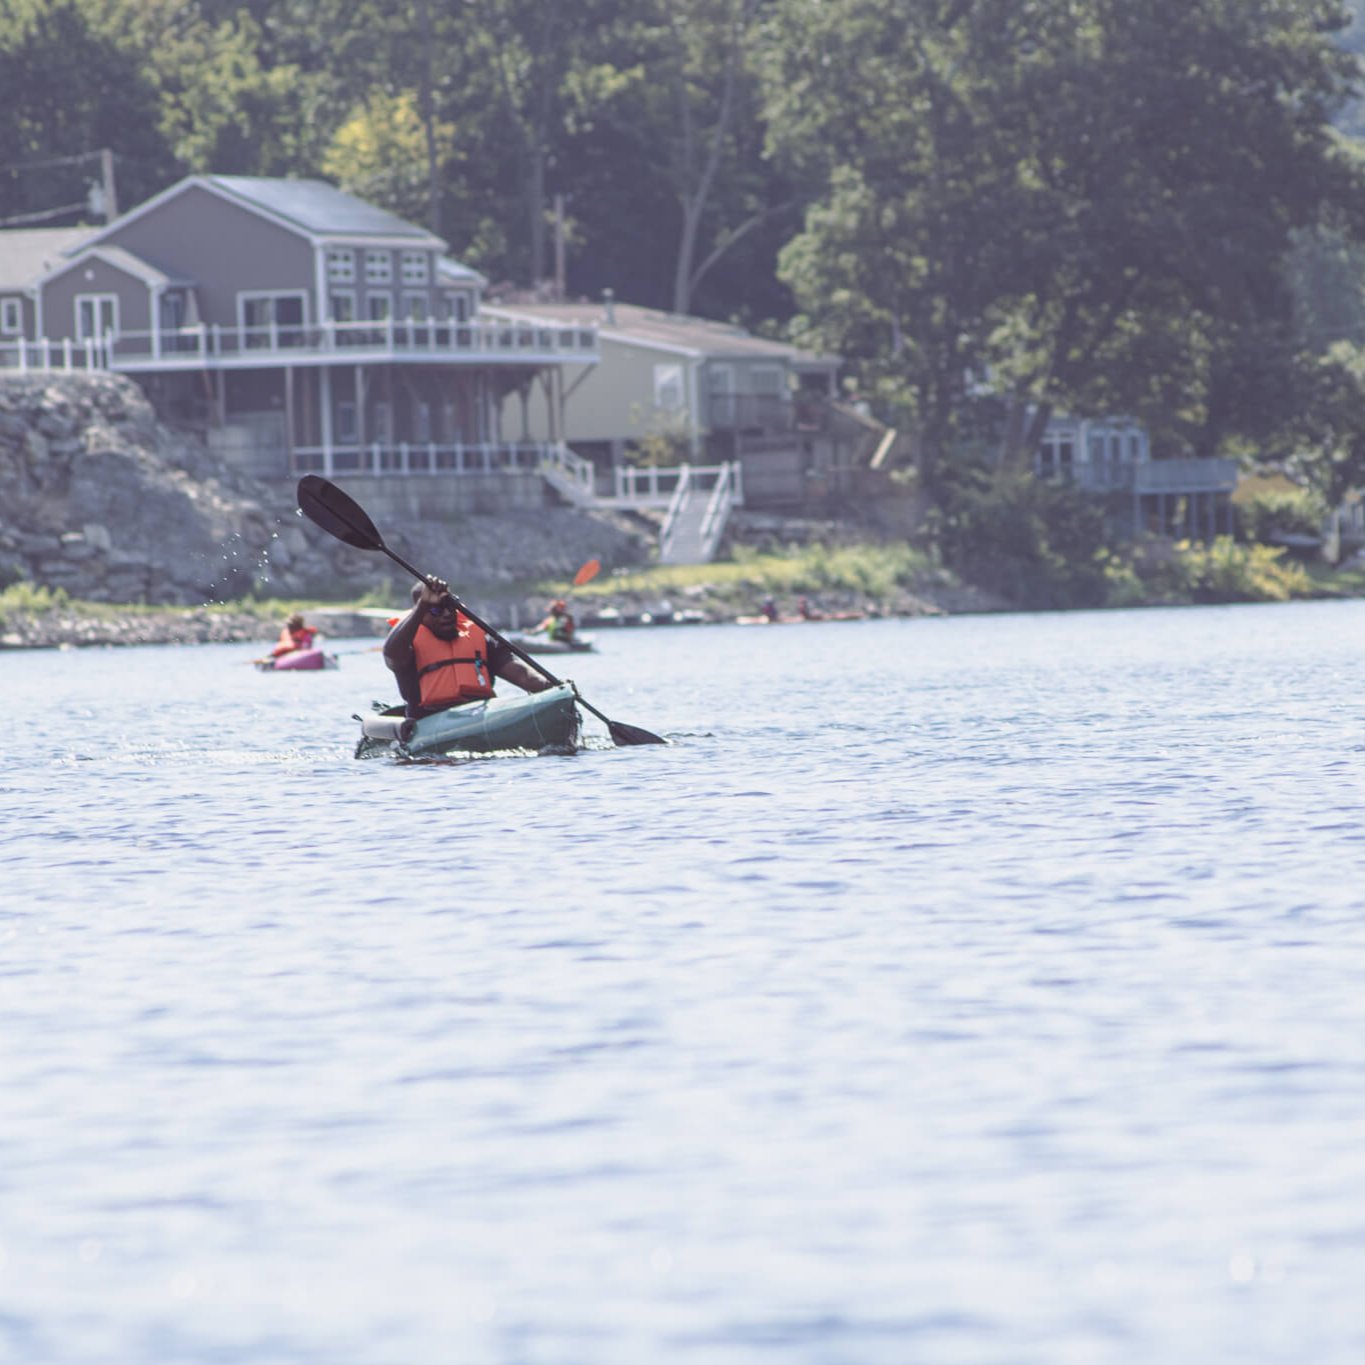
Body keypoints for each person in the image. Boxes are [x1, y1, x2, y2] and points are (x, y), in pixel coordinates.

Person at [384, 578, 551, 718]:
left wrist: (552, 688)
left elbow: (523, 675)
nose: (447, 614)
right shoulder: (407, 646)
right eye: (435, 610)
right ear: (420, 615)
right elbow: (391, 655)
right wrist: (422, 605)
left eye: (450, 606)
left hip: (480, 714)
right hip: (430, 718)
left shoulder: (483, 640)